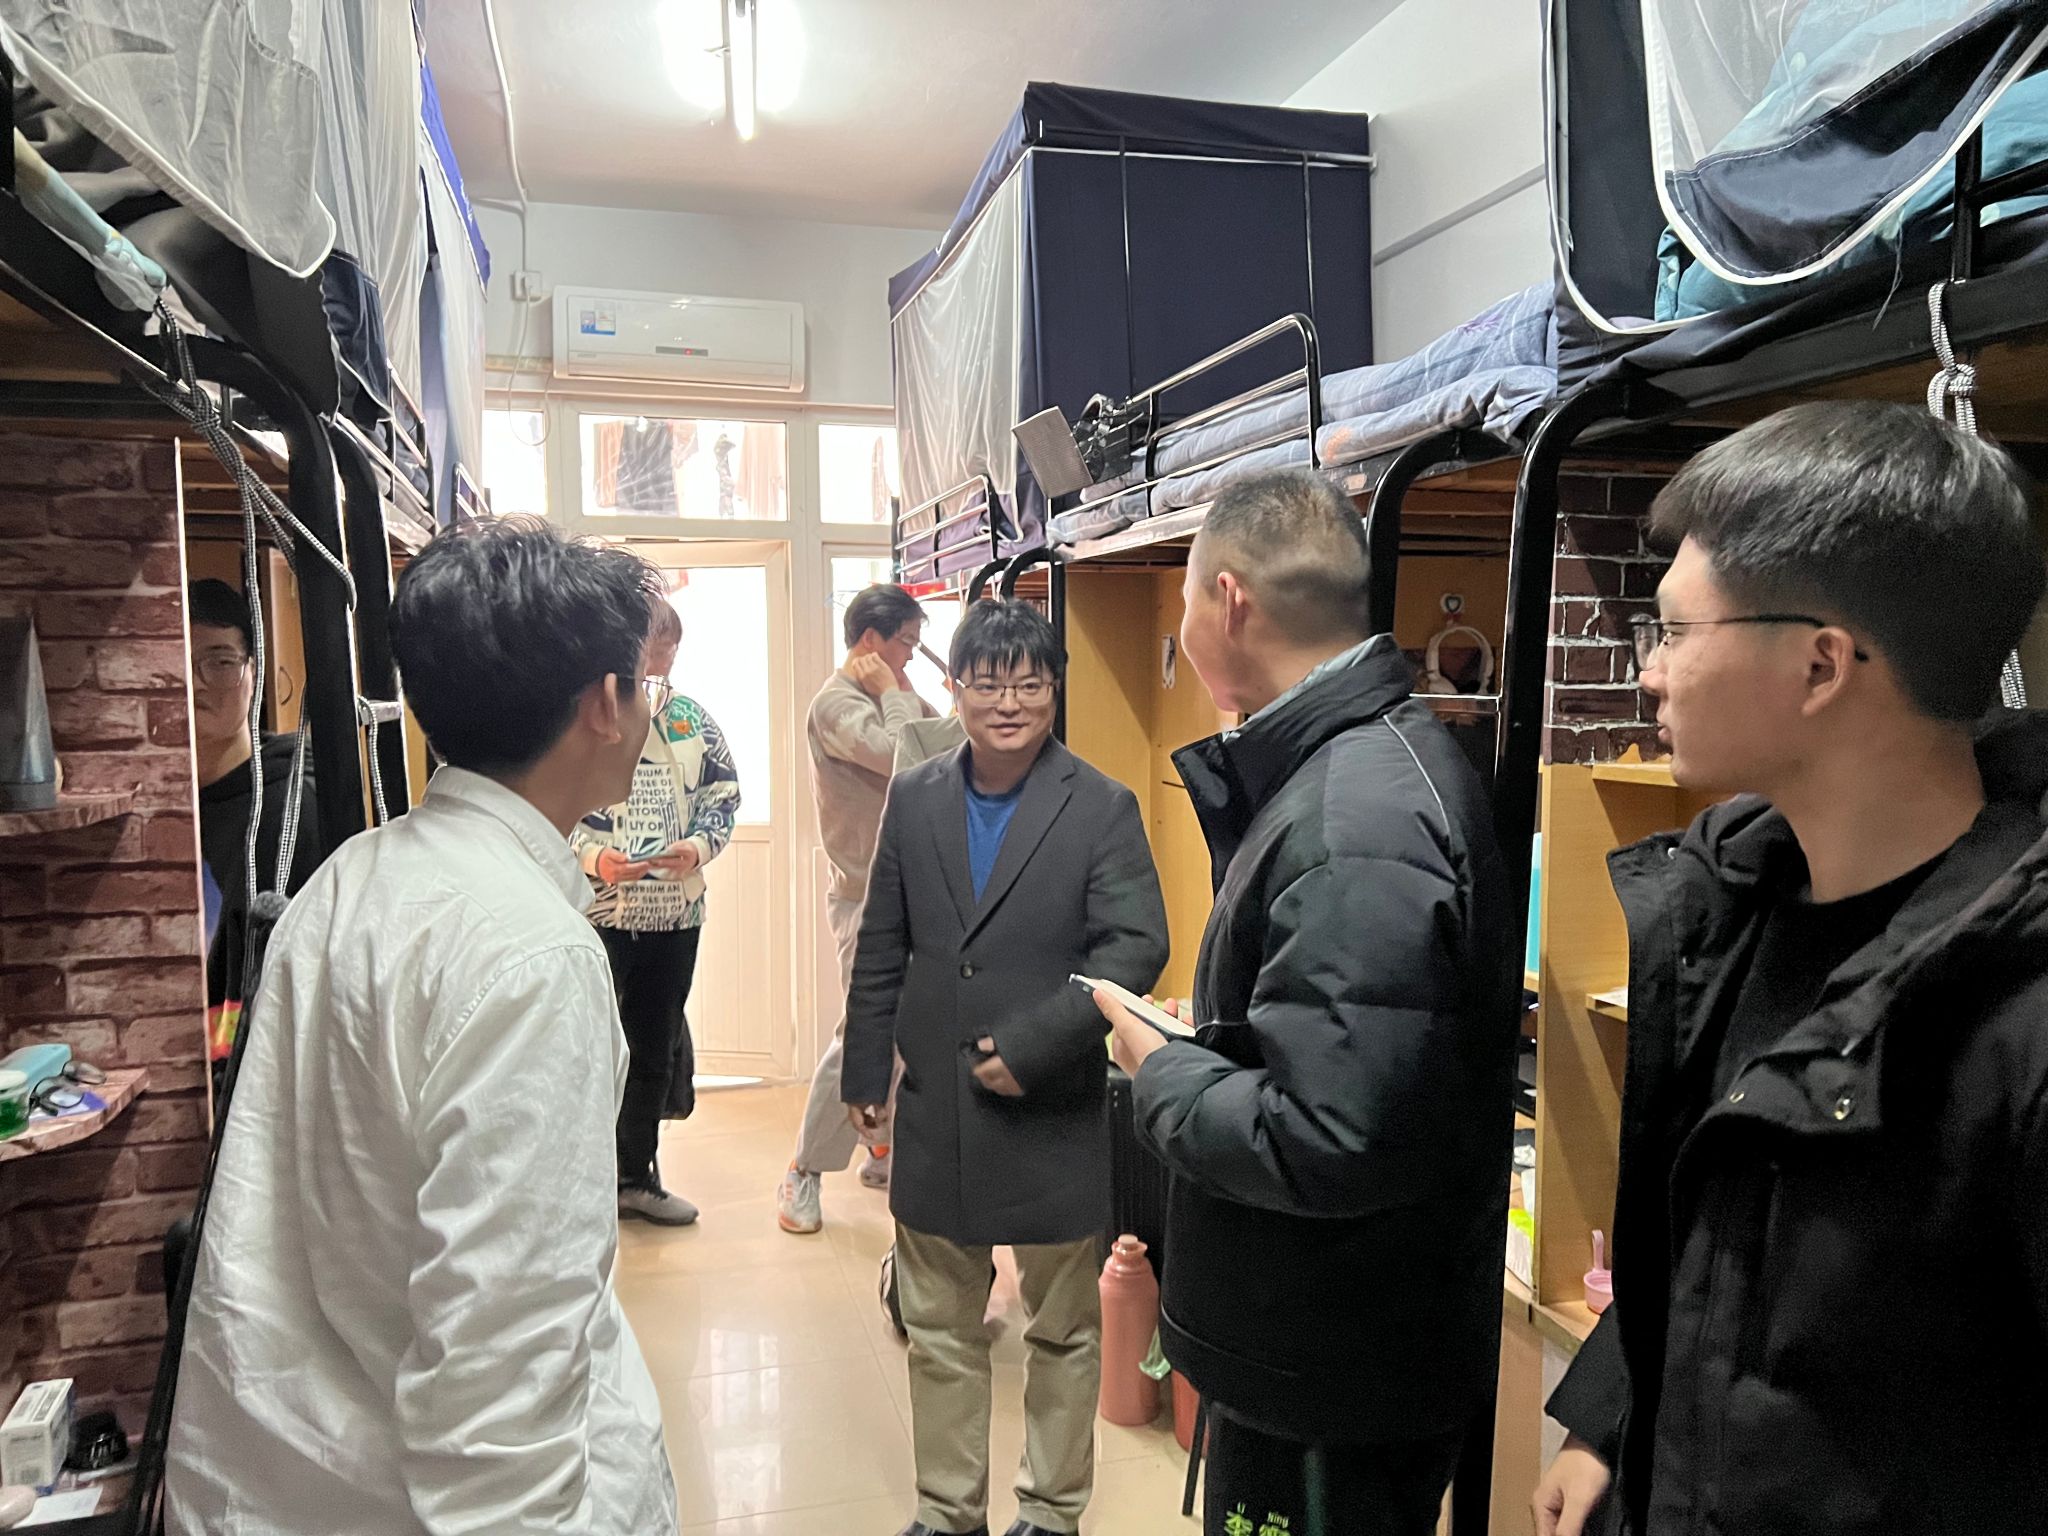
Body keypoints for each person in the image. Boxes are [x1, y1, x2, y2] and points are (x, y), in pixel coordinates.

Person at [1533, 402, 2048, 1536]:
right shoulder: (1729, 908)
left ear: (1820, 665)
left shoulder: (2017, 1011)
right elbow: (1707, 1242)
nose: (1649, 674)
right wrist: (1609, 1419)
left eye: (1673, 632)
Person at [167, 520, 678, 1536]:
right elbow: (499, 1399)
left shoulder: (353, 875)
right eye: (646, 688)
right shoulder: (531, 958)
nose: (649, 713)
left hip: (299, 1475)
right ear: (603, 704)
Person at [1096, 469, 1516, 1536]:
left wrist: (1160, 1065)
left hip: (1332, 1370)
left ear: (1228, 601)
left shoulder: (1354, 816)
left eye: (1186, 599)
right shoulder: (1352, 768)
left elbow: (1326, 1135)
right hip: (1328, 1344)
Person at [844, 599, 1169, 1536]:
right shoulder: (915, 796)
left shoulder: (1101, 804)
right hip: (937, 1102)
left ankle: (1051, 1513)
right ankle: (948, 1511)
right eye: (988, 684)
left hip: (1050, 1105)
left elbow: (1135, 945)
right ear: (955, 690)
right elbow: (883, 940)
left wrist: (1036, 1045)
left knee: (1062, 1329)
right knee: (940, 1327)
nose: (1010, 702)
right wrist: (864, 1068)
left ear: (1055, 689)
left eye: (1031, 683)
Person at [572, 599, 741, 1227]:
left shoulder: (691, 721)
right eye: (650, 648)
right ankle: (580, 1182)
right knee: (590, 1049)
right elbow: (552, 806)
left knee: (653, 1049)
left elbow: (723, 796)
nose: (659, 660)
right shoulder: (583, 718)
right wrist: (593, 857)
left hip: (674, 916)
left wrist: (696, 847)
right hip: (597, 915)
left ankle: (634, 1176)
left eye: (667, 650)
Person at [778, 582, 937, 1233]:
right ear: (871, 640)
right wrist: (898, 695)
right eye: (905, 643)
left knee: (910, 1031)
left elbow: (945, 747)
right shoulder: (836, 704)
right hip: (863, 900)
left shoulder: (891, 695)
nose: (911, 656)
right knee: (862, 1037)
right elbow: (903, 757)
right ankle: (804, 1170)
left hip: (914, 893)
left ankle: (883, 1149)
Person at [188, 578, 327, 1080]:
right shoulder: (150, 811)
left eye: (220, 662)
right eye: (176, 662)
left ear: (254, 672)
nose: (194, 682)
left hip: (259, 1080)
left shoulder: (294, 810)